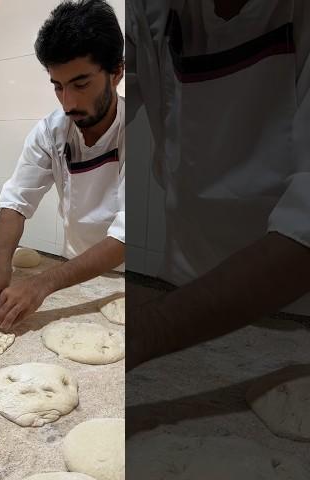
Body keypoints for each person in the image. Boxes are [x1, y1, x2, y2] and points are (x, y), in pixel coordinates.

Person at [125, 0, 310, 369]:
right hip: (182, 288)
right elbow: (104, 96)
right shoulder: (150, 8)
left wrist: (151, 328)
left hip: (295, 312)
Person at [0, 0, 126, 332]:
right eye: (58, 86)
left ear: (117, 73)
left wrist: (41, 284)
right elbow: (15, 202)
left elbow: (126, 238)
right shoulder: (51, 131)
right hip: (78, 273)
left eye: (81, 84)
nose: (68, 102)